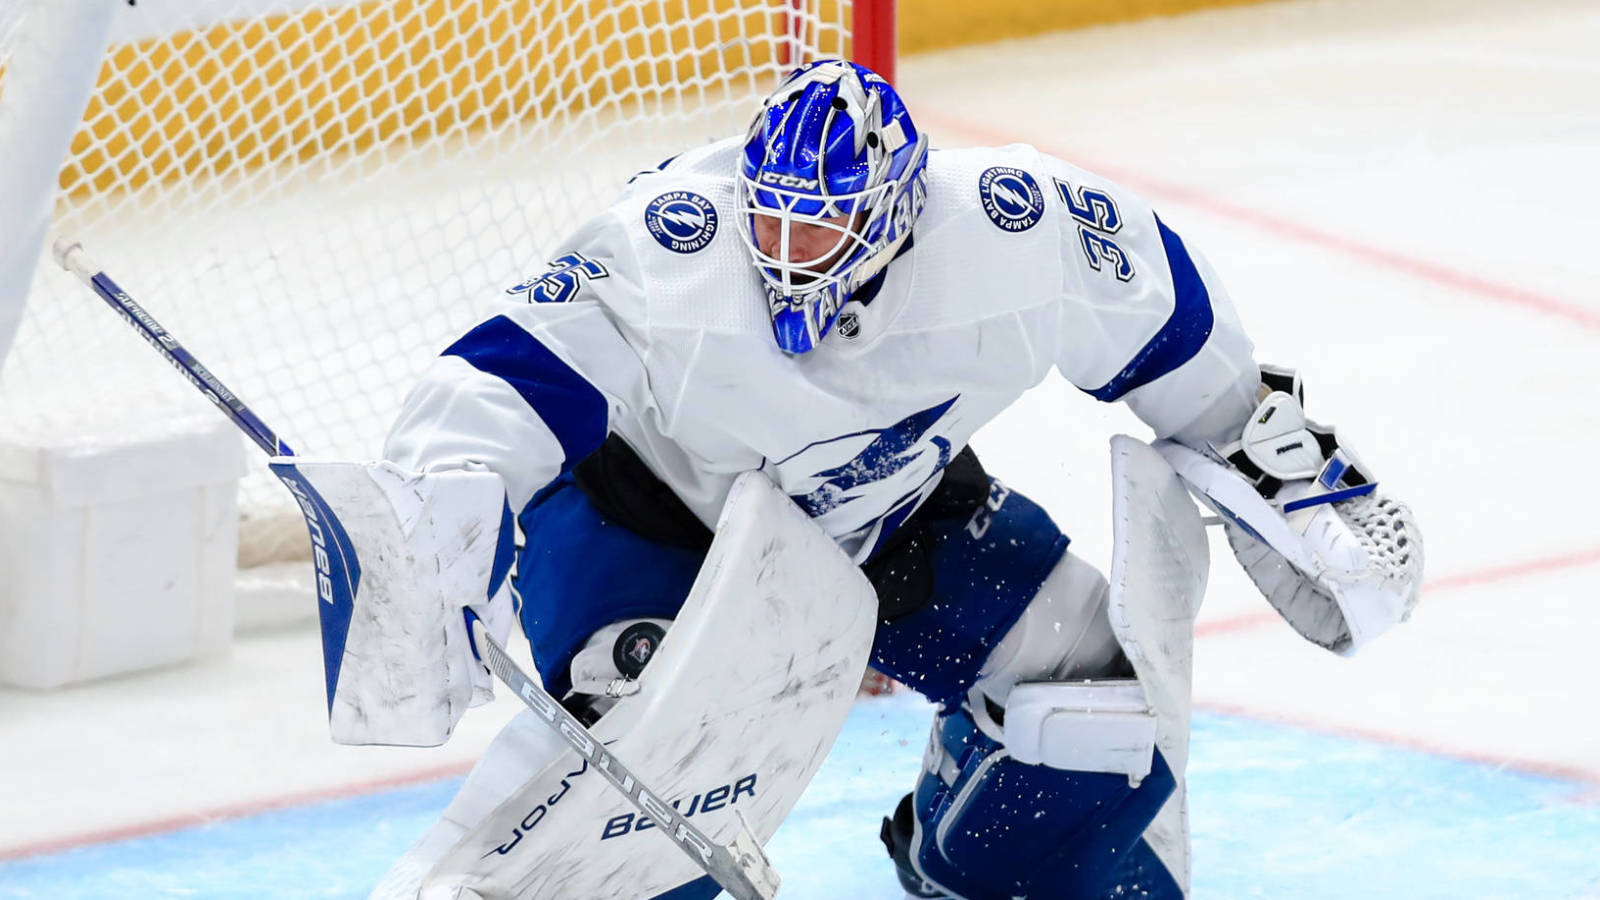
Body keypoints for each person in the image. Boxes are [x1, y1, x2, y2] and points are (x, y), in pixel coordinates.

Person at [374, 59, 1422, 899]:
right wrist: (441, 526)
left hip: (886, 515)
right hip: (641, 527)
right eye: (769, 218)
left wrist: (1287, 468)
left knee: (1093, 711)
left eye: (816, 224)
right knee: (643, 787)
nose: (783, 251)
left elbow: (1168, 325)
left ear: (891, 215)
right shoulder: (669, 242)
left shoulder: (1018, 231)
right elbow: (493, 381)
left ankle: (959, 864)